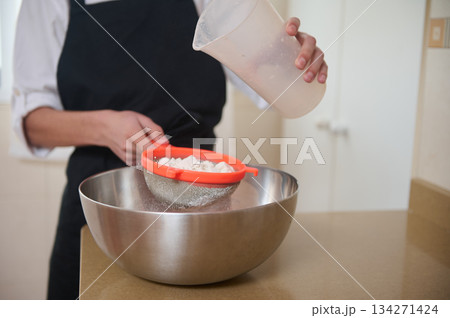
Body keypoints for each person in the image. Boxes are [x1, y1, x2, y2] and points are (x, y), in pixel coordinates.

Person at [12, 0, 328, 300]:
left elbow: (268, 75)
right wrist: (105, 128)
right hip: (99, 204)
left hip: (203, 200)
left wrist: (294, 60)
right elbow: (32, 123)